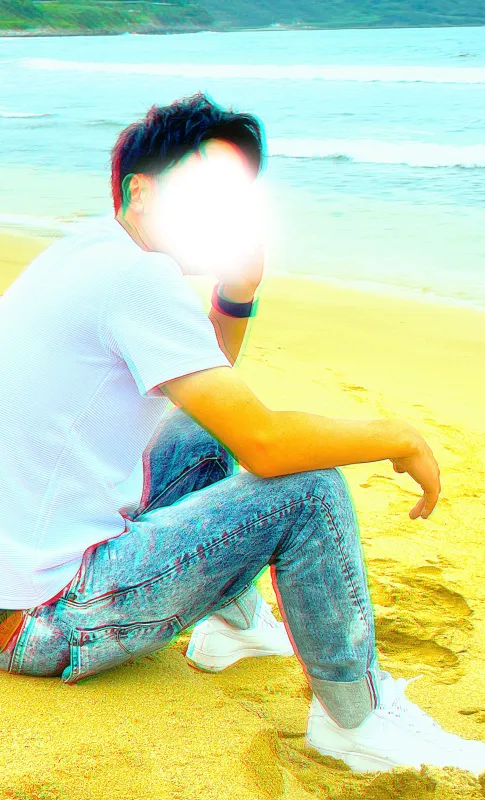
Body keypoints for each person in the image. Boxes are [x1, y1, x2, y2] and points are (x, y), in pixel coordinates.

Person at [0, 90, 483, 778]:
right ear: (142, 193)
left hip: (18, 589)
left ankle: (234, 626)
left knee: (201, 436)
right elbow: (265, 444)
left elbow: (213, 399)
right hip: (48, 619)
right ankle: (357, 722)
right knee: (308, 489)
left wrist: (237, 293)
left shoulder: (85, 253)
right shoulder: (139, 277)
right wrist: (397, 436)